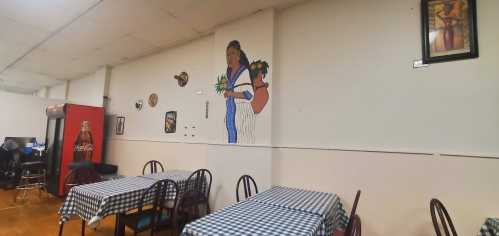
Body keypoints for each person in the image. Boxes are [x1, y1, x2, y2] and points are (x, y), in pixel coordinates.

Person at [223, 40, 255, 144]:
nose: (229, 57)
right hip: (231, 116)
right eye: (227, 55)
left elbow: (249, 95)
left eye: (232, 53)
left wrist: (231, 94)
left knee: (241, 143)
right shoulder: (229, 75)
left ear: (238, 55)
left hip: (242, 117)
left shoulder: (244, 72)